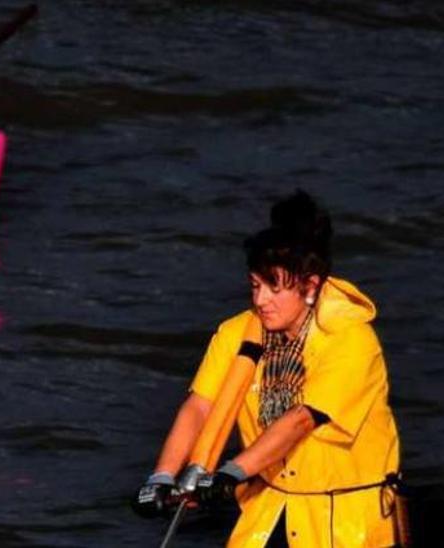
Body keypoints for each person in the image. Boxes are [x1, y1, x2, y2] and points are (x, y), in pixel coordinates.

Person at [133, 191, 403, 547]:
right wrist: (162, 476)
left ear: (310, 285)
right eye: (255, 286)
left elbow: (302, 419)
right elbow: (201, 405)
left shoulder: (351, 339)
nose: (261, 301)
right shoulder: (236, 333)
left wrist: (231, 473)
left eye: (274, 288)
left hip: (346, 521)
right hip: (272, 507)